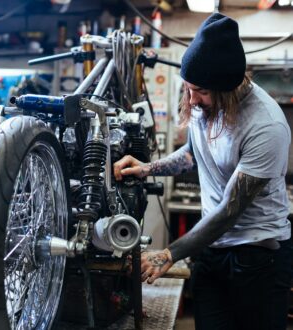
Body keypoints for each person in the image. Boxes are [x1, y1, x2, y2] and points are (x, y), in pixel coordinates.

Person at [114, 13, 292, 330]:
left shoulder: (266, 125)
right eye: (188, 89)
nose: (193, 99)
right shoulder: (203, 104)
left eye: (201, 91)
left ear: (229, 88)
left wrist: (169, 253)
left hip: (258, 259)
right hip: (212, 249)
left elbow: (229, 211)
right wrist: (147, 168)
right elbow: (195, 154)